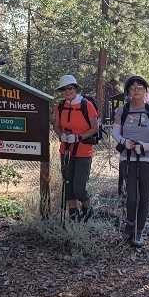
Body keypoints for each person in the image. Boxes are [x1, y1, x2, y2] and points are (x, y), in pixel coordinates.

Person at [111, 75, 149, 247]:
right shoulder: (122, 111)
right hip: (127, 157)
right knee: (131, 196)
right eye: (132, 87)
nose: (136, 90)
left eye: (140, 87)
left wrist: (147, 146)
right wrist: (125, 142)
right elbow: (115, 133)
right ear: (128, 91)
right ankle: (130, 226)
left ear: (146, 90)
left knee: (144, 196)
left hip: (148, 159)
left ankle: (138, 232)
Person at [54, 74, 100, 220]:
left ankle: (88, 209)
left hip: (83, 152)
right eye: (64, 89)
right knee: (68, 185)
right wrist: (61, 135)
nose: (68, 91)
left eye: (70, 88)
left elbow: (95, 128)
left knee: (79, 188)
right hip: (66, 151)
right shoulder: (60, 106)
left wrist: (79, 137)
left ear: (75, 88)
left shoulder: (86, 105)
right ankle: (73, 216)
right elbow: (56, 126)